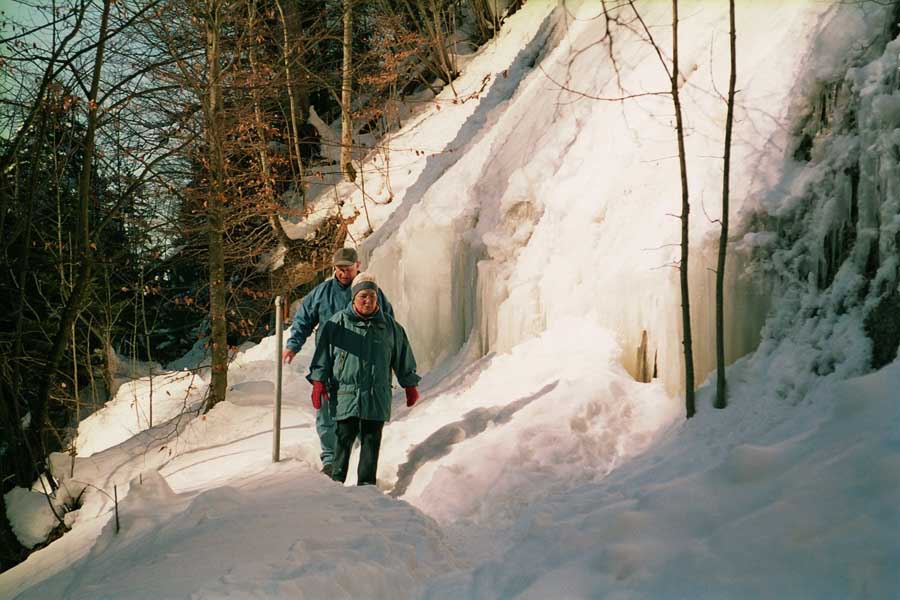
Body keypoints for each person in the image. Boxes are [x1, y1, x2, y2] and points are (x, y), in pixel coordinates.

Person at [282, 248, 394, 476]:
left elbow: (389, 324)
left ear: (358, 266)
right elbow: (303, 319)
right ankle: (331, 460)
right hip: (330, 360)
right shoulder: (322, 293)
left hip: (363, 361)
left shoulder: (371, 292)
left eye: (348, 269)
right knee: (327, 408)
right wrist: (293, 345)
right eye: (340, 269)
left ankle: (363, 460)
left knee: (362, 408)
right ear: (334, 268)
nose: (344, 273)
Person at [307, 272, 420, 486]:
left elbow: (403, 357)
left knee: (371, 442)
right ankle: (335, 484)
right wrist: (318, 382)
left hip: (377, 394)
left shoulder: (390, 327)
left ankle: (366, 489)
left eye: (372, 296)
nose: (368, 301)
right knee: (343, 440)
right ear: (354, 298)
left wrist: (410, 384)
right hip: (346, 394)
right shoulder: (337, 324)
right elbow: (322, 356)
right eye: (363, 297)